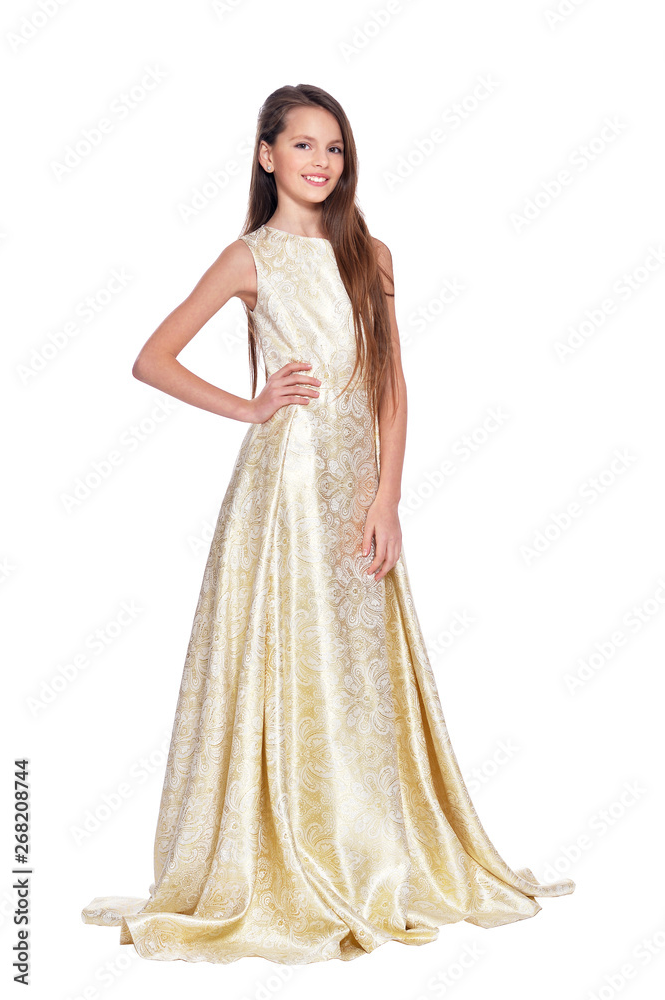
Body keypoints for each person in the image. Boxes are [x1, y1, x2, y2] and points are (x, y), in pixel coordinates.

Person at [81, 83, 575, 966]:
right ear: (267, 154)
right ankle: (278, 859)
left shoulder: (369, 254)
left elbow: (390, 380)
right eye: (303, 145)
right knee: (286, 653)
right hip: (285, 489)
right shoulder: (249, 257)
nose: (320, 161)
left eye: (335, 148)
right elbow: (150, 358)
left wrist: (388, 495)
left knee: (355, 665)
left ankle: (372, 846)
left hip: (353, 490)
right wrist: (250, 406)